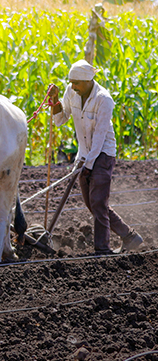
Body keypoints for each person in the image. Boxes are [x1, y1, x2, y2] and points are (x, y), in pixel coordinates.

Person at [48, 59, 143, 255]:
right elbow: (59, 120)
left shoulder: (104, 99)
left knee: (98, 203)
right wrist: (56, 101)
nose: (73, 87)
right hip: (84, 154)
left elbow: (99, 136)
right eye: (71, 82)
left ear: (89, 81)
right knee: (92, 203)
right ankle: (130, 236)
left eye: (77, 83)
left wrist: (89, 165)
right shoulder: (70, 92)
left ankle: (102, 249)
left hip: (103, 154)